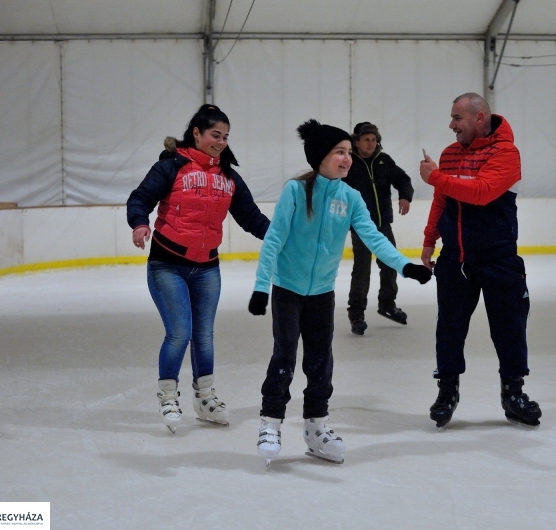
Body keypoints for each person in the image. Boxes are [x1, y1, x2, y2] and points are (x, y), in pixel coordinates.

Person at [248, 119, 432, 466]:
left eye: (349, 152)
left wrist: (405, 267)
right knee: (285, 357)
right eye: (340, 152)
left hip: (321, 293)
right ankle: (270, 423)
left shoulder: (350, 197)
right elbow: (274, 240)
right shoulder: (295, 191)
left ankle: (316, 428)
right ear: (320, 156)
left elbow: (375, 237)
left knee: (321, 361)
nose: (347, 159)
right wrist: (261, 287)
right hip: (287, 289)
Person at [127, 104, 270, 433]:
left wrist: (281, 238)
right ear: (197, 133)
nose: (221, 142)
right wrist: (139, 224)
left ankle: (204, 398)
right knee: (180, 333)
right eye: (214, 135)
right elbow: (141, 197)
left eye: (225, 137)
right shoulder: (172, 166)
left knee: (204, 336)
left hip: (207, 267)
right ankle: (167, 395)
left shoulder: (228, 177)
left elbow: (251, 217)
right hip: (168, 264)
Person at [419, 92, 541, 429]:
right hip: (455, 259)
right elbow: (441, 199)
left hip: (498, 259)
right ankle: (447, 391)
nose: (451, 125)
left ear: (479, 117)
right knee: (449, 329)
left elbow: (482, 192)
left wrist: (436, 177)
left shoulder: (506, 153)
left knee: (510, 329)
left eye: (457, 118)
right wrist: (430, 240)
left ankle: (513, 393)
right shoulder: (449, 154)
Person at [343, 122, 414, 335]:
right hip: (360, 225)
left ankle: (387, 305)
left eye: (374, 139)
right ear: (356, 142)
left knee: (391, 263)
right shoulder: (348, 163)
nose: (371, 143)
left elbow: (403, 179)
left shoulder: (384, 161)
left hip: (382, 223)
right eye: (366, 139)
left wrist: (405, 196)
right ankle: (356, 314)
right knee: (362, 269)